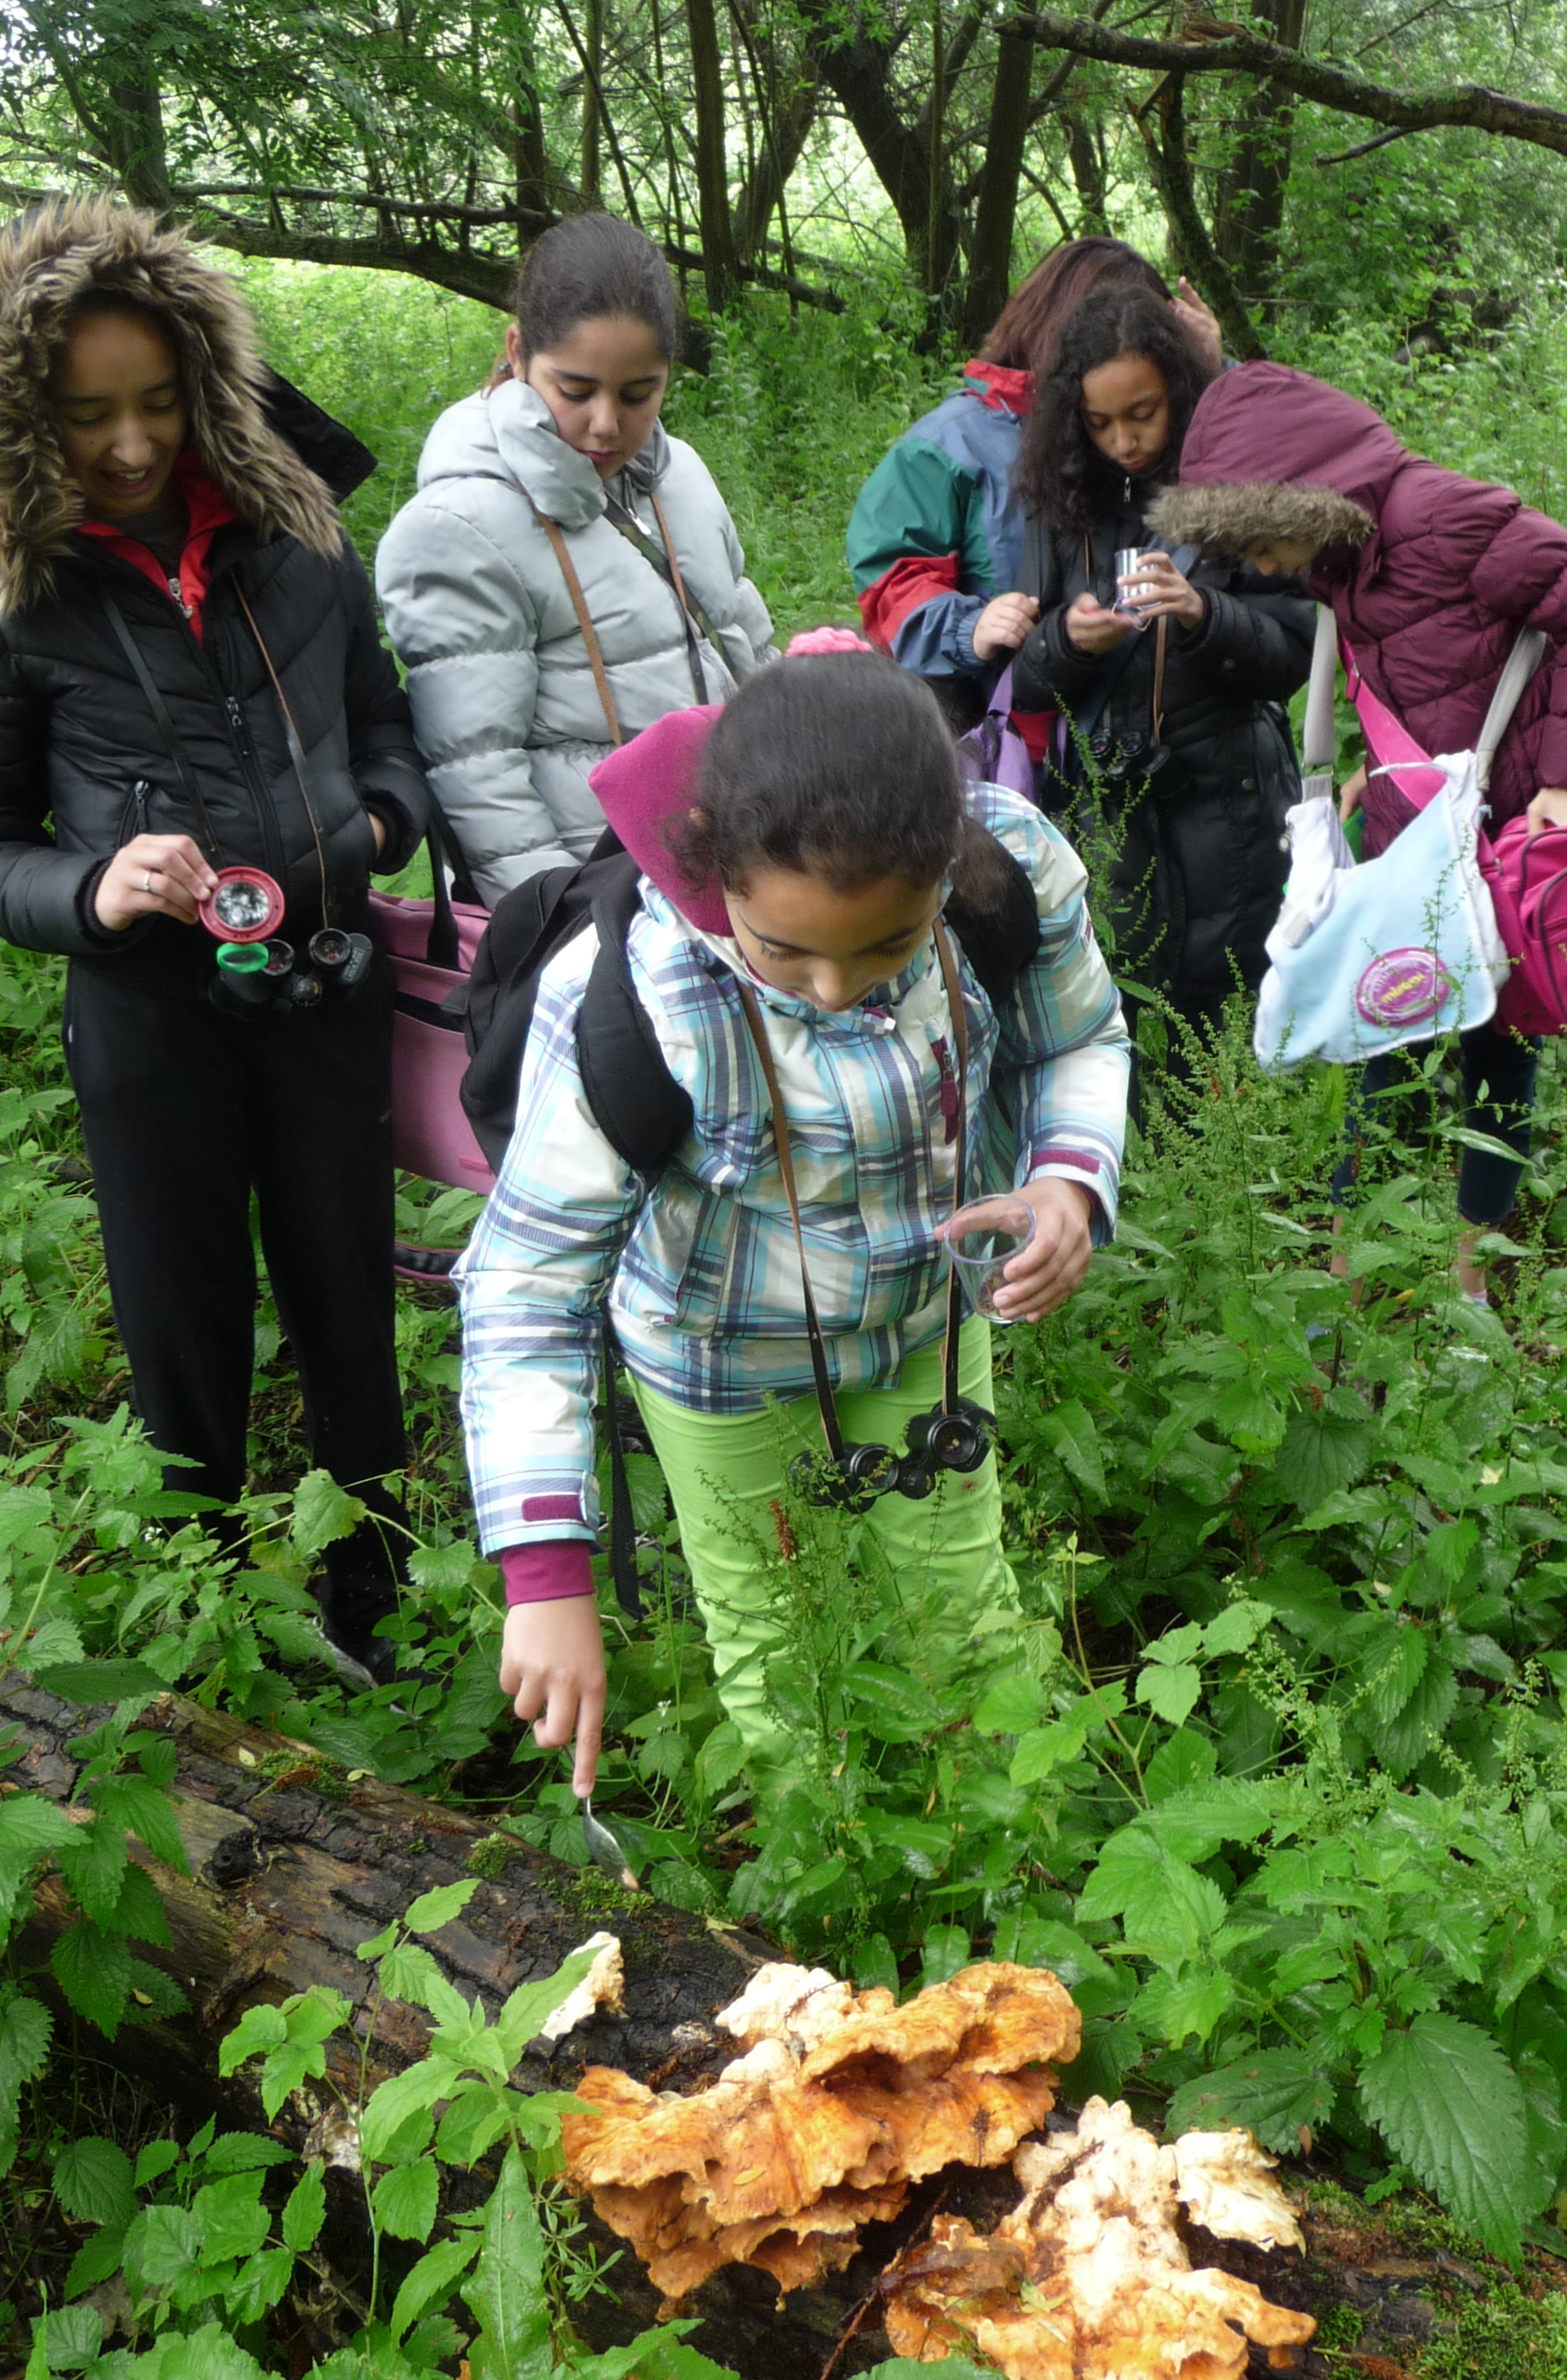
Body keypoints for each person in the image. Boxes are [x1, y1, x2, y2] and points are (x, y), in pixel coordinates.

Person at [0, 196, 434, 1679]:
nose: (132, 447)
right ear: (20, 420)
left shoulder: (301, 535)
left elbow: (382, 725)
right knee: (181, 1320)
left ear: (208, 383)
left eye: (157, 403)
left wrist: (376, 827)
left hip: (327, 982)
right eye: (86, 416)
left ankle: (374, 1597)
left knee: (348, 1295)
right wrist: (95, 886)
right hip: (150, 1017)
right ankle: (210, 1621)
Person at [455, 656, 1132, 1786]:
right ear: (714, 865)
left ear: (946, 867)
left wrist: (1066, 1178)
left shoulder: (1009, 871)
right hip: (713, 1360)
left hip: (927, 1330)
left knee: (962, 1614)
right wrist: (544, 1575)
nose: (831, 987)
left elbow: (1078, 1038)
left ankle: (1002, 1853)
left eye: (884, 948)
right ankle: (818, 1863)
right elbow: (527, 1284)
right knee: (770, 1639)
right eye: (784, 950)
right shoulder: (632, 993)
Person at [1152, 359, 1567, 1301]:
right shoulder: (1340, 554)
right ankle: (1349, 1271)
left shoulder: (1441, 517)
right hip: (1419, 827)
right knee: (1384, 1036)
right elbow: (1412, 667)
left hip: (1502, 843)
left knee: (1499, 1049)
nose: (1257, 567)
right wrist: (1372, 768)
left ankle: (1472, 1276)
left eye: (1259, 539)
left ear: (1308, 494)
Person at [376, 212, 774, 902]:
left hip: (728, 874)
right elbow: (478, 779)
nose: (604, 424)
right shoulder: (458, 527)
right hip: (590, 909)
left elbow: (749, 653)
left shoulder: (684, 479)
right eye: (575, 389)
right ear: (517, 350)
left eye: (638, 393)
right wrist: (563, 931)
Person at [1008, 285, 1314, 1047]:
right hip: (1109, 821)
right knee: (1117, 1008)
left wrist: (1204, 616)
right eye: (1100, 421)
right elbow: (1027, 682)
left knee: (1224, 1016)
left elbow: (1291, 654)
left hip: (1229, 809)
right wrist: (1071, 640)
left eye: (1143, 413)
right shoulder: (1063, 504)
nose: (1124, 441)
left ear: (1179, 390)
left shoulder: (1241, 484)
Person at [845, 236, 1221, 730]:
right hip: (1001, 732)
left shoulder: (1133, 427)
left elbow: (1223, 482)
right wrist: (967, 628)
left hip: (1136, 733)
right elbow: (892, 579)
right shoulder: (951, 443)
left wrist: (1214, 374)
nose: (1122, 440)